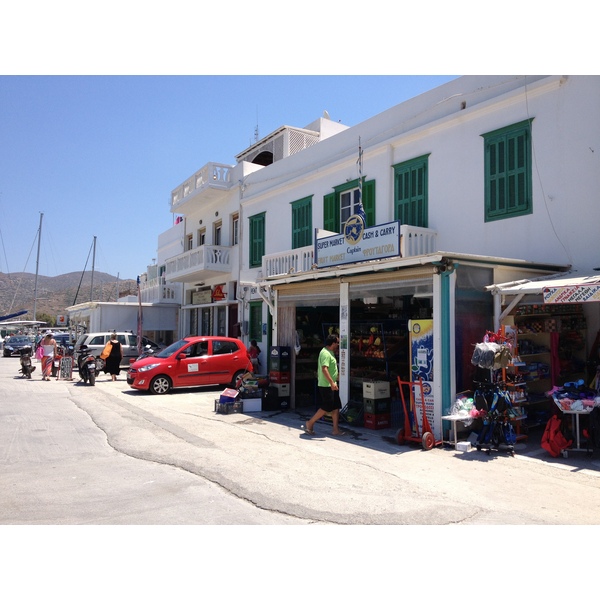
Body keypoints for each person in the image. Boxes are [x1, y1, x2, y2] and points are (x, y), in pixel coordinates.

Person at [303, 334, 345, 436]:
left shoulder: (330, 352)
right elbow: (324, 369)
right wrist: (331, 383)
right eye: (337, 343)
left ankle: (335, 429)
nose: (338, 345)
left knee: (336, 406)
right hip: (326, 385)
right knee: (327, 406)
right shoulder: (325, 353)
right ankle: (310, 422)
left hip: (331, 384)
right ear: (333, 343)